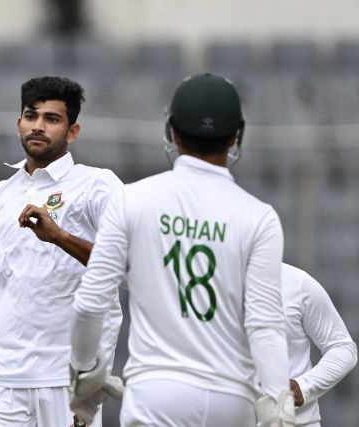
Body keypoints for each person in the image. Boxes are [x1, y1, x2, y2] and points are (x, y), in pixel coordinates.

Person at [69, 73, 295, 427]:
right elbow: (265, 324)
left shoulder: (132, 200)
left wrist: (85, 374)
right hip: (231, 400)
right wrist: (279, 402)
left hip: (156, 394)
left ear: (170, 131)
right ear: (236, 135)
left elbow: (89, 303)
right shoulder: (260, 218)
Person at [0, 76, 123, 426]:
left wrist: (59, 236)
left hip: (69, 383)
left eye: (52, 119)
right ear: (19, 124)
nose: (39, 126)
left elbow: (127, 265)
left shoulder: (98, 186)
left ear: (73, 131)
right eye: (31, 116)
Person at [281, 263, 357, 427]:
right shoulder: (213, 288)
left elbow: (343, 347)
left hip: (294, 422)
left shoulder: (297, 283)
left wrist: (303, 386)